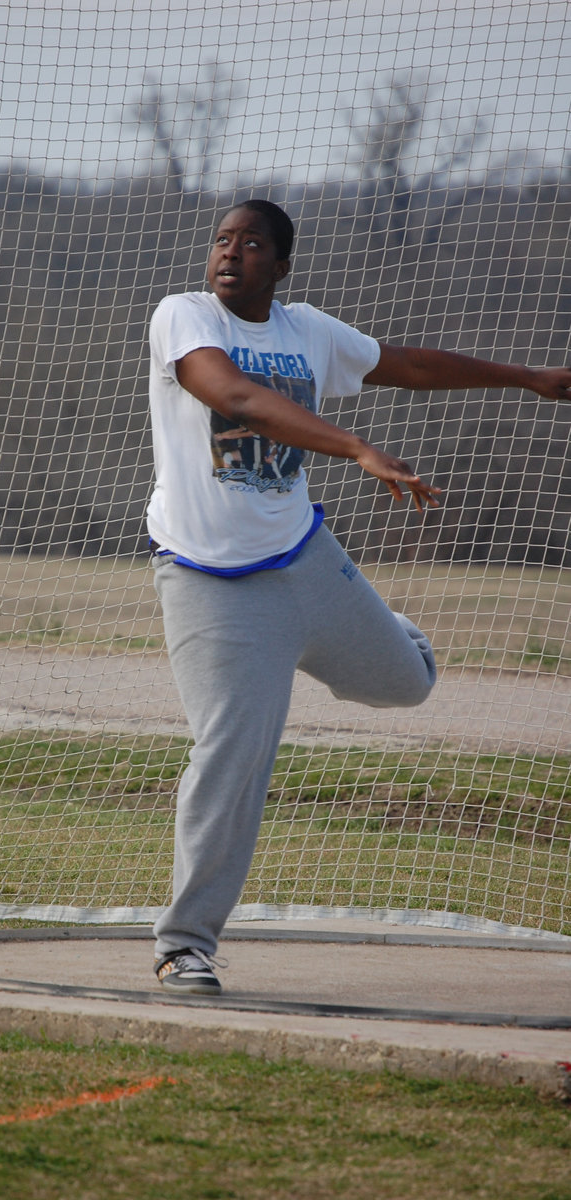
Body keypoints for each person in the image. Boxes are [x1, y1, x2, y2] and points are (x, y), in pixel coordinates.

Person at [146, 198, 571, 996]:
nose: (230, 254)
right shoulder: (184, 317)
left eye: (252, 244)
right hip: (213, 582)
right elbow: (231, 396)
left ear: (282, 263)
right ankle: (185, 946)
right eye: (222, 241)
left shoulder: (308, 330)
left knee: (409, 681)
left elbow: (406, 366)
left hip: (305, 558)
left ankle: (377, 626)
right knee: (233, 752)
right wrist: (356, 447)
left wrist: (527, 378)